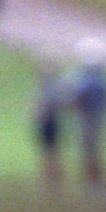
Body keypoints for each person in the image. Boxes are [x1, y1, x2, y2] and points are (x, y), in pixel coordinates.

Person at [72, 38, 106, 194]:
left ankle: (96, 183)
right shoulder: (103, 78)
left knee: (91, 152)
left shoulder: (91, 80)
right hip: (97, 119)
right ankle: (94, 183)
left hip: (91, 119)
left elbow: (78, 97)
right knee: (93, 151)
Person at [33, 59, 68, 198]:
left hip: (51, 121)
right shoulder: (45, 85)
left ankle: (54, 181)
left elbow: (55, 103)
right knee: (47, 152)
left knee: (52, 152)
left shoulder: (53, 86)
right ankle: (49, 180)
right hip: (46, 122)